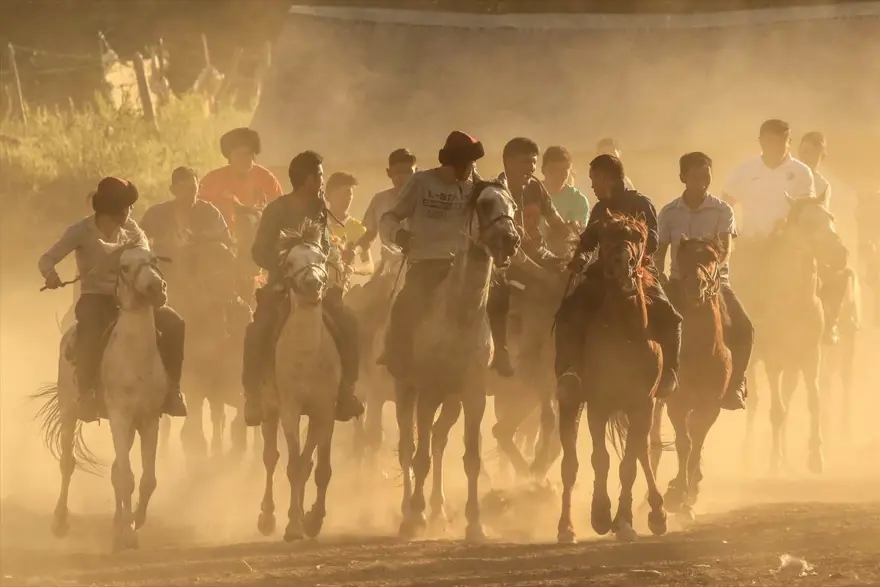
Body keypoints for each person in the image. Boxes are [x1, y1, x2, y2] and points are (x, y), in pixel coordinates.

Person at [39, 177, 188, 423]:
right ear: (115, 208)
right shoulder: (80, 231)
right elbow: (46, 259)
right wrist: (51, 275)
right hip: (95, 298)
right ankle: (87, 394)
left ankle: (172, 390)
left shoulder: (132, 230)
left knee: (175, 324)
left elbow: (146, 259)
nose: (130, 211)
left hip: (132, 298)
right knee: (89, 333)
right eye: (127, 206)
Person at [242, 151, 364, 425]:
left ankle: (346, 393)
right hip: (282, 288)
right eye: (319, 176)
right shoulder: (277, 210)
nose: (322, 181)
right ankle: (253, 396)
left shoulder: (319, 210)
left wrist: (330, 271)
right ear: (307, 179)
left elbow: (323, 248)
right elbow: (259, 251)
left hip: (317, 287)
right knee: (256, 331)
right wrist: (288, 262)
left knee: (351, 324)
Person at [555, 154, 682, 400]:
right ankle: (569, 371)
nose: (592, 186)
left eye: (594, 179)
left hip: (639, 274)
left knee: (671, 316)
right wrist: (581, 258)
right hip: (603, 274)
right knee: (567, 311)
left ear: (605, 177)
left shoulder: (641, 203)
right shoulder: (600, 209)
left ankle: (669, 373)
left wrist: (632, 244)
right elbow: (589, 241)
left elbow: (653, 240)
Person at [378, 130, 492, 379]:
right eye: (469, 163)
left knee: (496, 301)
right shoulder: (421, 182)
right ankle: (399, 359)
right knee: (404, 307)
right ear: (455, 163)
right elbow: (389, 218)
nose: (473, 169)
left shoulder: (475, 187)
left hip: (463, 266)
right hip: (426, 265)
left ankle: (495, 355)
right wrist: (398, 235)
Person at [723, 119, 845, 344]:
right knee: (730, 289)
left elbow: (807, 208)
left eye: (781, 141)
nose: (775, 147)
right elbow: (726, 203)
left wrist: (784, 227)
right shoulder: (745, 169)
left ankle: (824, 326)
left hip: (787, 246)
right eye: (769, 141)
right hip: (751, 245)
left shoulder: (801, 172)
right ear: (760, 142)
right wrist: (735, 232)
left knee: (824, 279)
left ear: (789, 142)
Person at [655, 152, 753, 410]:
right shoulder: (669, 213)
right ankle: (653, 379)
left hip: (715, 284)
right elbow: (659, 252)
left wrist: (708, 274)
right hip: (678, 284)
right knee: (648, 325)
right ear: (682, 177)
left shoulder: (722, 210)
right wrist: (660, 278)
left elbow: (726, 249)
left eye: (706, 175)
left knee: (744, 328)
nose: (702, 181)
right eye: (695, 176)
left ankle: (736, 384)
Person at [488, 137, 572, 376]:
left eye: (533, 163)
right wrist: (543, 274)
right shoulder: (494, 193)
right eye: (526, 162)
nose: (531, 169)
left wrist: (576, 239)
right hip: (505, 265)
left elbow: (556, 223)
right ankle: (509, 353)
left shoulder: (535, 186)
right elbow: (509, 252)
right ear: (508, 162)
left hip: (540, 255)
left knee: (577, 279)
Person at [199, 127, 283, 231]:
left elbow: (281, 213)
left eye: (247, 154)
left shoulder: (267, 179)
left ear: (254, 156)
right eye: (238, 154)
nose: (243, 159)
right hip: (221, 238)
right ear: (229, 158)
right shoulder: (212, 180)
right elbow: (198, 211)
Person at [140, 166, 229, 258]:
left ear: (199, 188)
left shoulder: (209, 212)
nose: (188, 194)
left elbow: (226, 239)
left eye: (192, 189)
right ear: (173, 190)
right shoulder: (157, 213)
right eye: (183, 189)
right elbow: (138, 240)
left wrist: (204, 239)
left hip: (201, 265)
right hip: (167, 264)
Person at [355, 148, 418, 267]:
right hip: (388, 267)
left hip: (418, 265)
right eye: (397, 172)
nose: (402, 178)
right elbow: (368, 235)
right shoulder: (379, 200)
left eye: (408, 172)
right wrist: (355, 251)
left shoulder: (426, 199)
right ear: (389, 173)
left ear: (417, 173)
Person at [542, 145, 590, 227]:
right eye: (554, 170)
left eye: (564, 170)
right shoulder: (527, 194)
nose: (558, 175)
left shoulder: (578, 200)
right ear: (543, 170)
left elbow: (576, 235)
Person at [799, 131, 832, 207]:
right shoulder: (787, 174)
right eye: (805, 151)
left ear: (823, 156)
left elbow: (822, 215)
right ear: (799, 151)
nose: (809, 156)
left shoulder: (823, 185)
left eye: (814, 152)